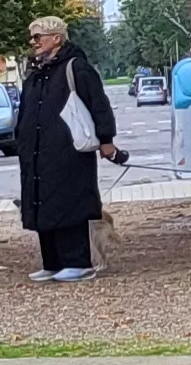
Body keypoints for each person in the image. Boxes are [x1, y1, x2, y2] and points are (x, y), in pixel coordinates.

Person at [16, 16, 122, 282]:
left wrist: (106, 140)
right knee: (42, 203)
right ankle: (52, 262)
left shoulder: (76, 68)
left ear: (56, 39)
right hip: (38, 151)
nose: (34, 42)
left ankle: (78, 262)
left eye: (38, 36)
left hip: (69, 149)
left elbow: (99, 104)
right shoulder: (35, 73)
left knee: (69, 202)